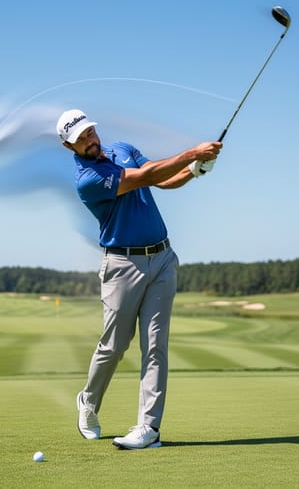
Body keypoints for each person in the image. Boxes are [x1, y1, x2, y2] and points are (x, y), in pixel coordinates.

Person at [57, 109, 222, 450]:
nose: (88, 140)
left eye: (89, 132)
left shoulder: (123, 148)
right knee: (115, 345)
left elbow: (162, 180)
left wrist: (194, 170)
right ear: (68, 146)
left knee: (155, 346)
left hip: (162, 259)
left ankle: (149, 428)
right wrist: (192, 152)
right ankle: (88, 402)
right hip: (122, 265)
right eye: (79, 139)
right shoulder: (87, 179)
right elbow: (143, 177)